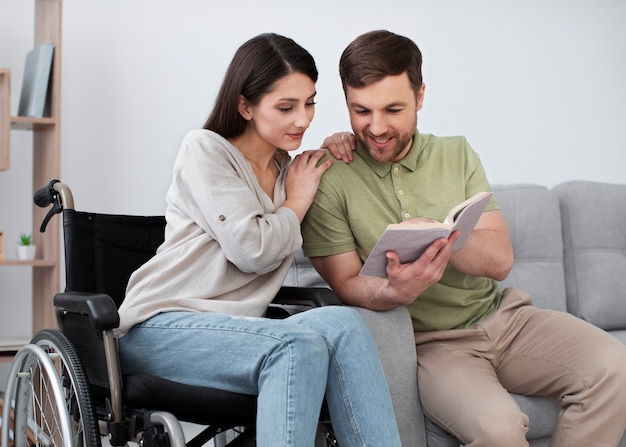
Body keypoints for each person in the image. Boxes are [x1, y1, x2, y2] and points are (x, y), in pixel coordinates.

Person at [301, 29, 626, 446]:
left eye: (393, 109)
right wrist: (393, 291)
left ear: (420, 97)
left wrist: (441, 240)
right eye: (360, 111)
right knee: (500, 428)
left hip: (506, 319)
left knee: (615, 366)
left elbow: (500, 261)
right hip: (433, 345)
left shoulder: (456, 153)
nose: (376, 127)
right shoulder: (331, 175)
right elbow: (345, 284)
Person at [115, 33, 401, 447]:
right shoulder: (204, 150)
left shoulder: (292, 170)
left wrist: (340, 147)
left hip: (238, 330)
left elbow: (338, 206)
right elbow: (252, 249)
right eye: (286, 107)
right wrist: (298, 200)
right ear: (245, 105)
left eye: (310, 102)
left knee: (344, 322)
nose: (303, 119)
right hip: (159, 327)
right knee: (296, 345)